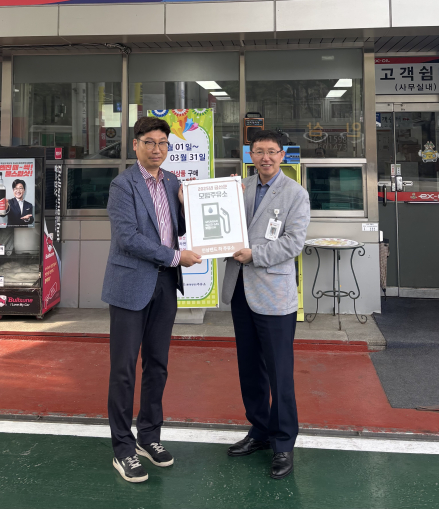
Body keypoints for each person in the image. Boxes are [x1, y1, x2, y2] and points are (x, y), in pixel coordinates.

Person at [102, 116, 202, 484]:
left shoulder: (172, 182)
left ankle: (149, 435)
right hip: (131, 284)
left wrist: (192, 205)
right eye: (149, 142)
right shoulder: (122, 185)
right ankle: (123, 448)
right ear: (135, 145)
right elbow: (128, 238)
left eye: (162, 143)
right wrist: (176, 257)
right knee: (124, 369)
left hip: (164, 284)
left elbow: (178, 229)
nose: (156, 149)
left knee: (157, 364)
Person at [222, 130, 310, 480]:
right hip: (240, 291)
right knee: (250, 369)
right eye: (258, 152)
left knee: (279, 372)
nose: (265, 158)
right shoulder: (238, 187)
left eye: (272, 152)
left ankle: (283, 443)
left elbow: (294, 242)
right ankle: (259, 430)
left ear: (282, 154)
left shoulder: (295, 193)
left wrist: (254, 255)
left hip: (274, 294)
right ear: (251, 155)